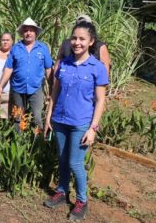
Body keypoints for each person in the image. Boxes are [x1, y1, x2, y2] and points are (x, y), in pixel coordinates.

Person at [43, 21, 109, 221]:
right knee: (62, 159)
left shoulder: (97, 67)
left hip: (81, 123)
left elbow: (100, 101)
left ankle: (82, 201)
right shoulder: (64, 63)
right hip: (60, 119)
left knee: (75, 163)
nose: (77, 42)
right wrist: (48, 117)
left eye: (82, 39)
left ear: (91, 42)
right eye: (74, 38)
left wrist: (93, 128)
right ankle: (62, 192)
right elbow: (54, 92)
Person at [0, 17, 53, 131]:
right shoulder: (16, 48)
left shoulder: (42, 48)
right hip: (17, 87)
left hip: (35, 88)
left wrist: (52, 88)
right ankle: (19, 143)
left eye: (31, 30)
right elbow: (8, 68)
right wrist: (1, 85)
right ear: (22, 33)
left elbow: (48, 69)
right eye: (26, 30)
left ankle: (37, 143)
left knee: (37, 117)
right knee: (18, 117)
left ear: (35, 32)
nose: (28, 33)